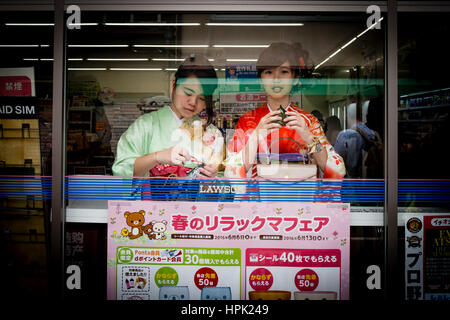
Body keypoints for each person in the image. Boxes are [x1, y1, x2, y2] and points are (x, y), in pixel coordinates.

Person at [224, 42, 345, 179]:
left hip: (300, 196)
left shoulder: (309, 122)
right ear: (261, 79)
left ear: (295, 79)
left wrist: (309, 137)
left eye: (284, 72)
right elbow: (231, 170)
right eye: (269, 72)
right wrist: (256, 135)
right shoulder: (247, 121)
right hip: (257, 198)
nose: (276, 79)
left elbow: (337, 169)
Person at [112, 54, 223, 182]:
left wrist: (213, 177)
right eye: (187, 92)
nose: (193, 102)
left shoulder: (212, 133)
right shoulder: (145, 126)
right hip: (151, 202)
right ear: (173, 85)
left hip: (194, 202)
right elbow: (121, 171)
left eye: (202, 98)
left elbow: (224, 178)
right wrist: (156, 157)